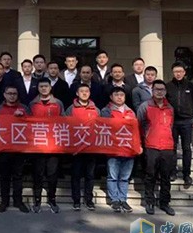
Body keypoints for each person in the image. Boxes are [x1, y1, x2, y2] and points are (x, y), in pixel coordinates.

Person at [138, 80, 176, 216]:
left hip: (167, 146)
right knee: (150, 176)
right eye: (157, 89)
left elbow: (171, 126)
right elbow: (139, 125)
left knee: (166, 177)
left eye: (162, 89)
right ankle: (149, 202)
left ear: (165, 91)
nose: (159, 92)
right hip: (151, 146)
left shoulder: (170, 108)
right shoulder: (145, 106)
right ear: (152, 91)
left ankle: (165, 203)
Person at [29, 78, 65, 213]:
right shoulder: (32, 104)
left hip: (54, 146)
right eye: (41, 86)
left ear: (50, 88)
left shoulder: (58, 103)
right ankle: (37, 200)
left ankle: (52, 199)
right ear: (38, 88)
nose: (44, 88)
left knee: (52, 174)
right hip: (37, 146)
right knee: (37, 174)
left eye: (46, 86)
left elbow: (64, 122)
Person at [0, 85, 30, 213]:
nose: (12, 96)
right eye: (9, 93)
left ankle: (18, 201)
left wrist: (23, 117)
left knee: (18, 176)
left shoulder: (24, 108)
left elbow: (32, 126)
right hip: (3, 149)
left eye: (14, 93)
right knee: (4, 176)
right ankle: (4, 202)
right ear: (4, 95)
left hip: (19, 149)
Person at [165, 61, 193, 188]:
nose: (178, 74)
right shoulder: (168, 86)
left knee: (186, 148)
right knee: (172, 148)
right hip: (173, 121)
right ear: (172, 73)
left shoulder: (191, 86)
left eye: (180, 71)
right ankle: (172, 172)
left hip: (187, 121)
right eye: (175, 72)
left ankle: (186, 174)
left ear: (184, 72)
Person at [101, 87, 137, 213]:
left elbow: (135, 131)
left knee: (124, 177)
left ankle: (123, 199)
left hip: (128, 149)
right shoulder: (106, 111)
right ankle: (114, 199)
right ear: (111, 97)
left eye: (122, 95)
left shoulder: (130, 112)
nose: (119, 97)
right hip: (113, 149)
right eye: (116, 95)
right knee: (112, 176)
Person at [66, 84, 99, 212]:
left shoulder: (96, 109)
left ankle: (89, 199)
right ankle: (76, 200)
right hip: (76, 148)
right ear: (77, 93)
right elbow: (65, 127)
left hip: (91, 148)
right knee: (76, 175)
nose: (84, 93)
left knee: (90, 175)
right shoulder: (70, 109)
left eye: (87, 91)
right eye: (82, 91)